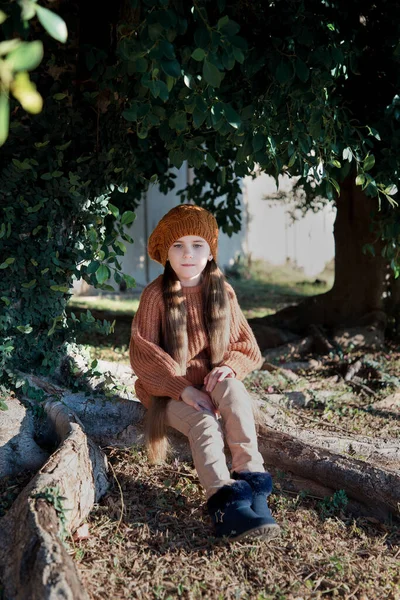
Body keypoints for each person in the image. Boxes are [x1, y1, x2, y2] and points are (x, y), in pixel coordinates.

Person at [129, 204, 280, 541]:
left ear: (211, 251)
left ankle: (252, 480)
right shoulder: (155, 296)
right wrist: (184, 389)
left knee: (235, 394)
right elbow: (143, 353)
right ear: (166, 253)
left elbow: (247, 346)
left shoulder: (222, 291)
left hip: (210, 382)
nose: (188, 254)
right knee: (204, 422)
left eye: (198, 244)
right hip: (167, 390)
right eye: (178, 246)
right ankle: (224, 501)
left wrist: (229, 366)